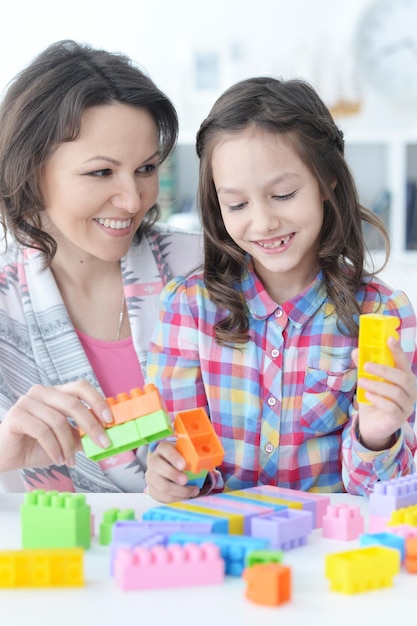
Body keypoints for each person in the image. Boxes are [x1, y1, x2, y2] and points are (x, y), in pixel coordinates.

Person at [145, 76, 417, 503]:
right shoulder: (188, 308)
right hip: (227, 548)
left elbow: (383, 495)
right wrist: (171, 472)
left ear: (327, 181)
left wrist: (378, 435)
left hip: (328, 554)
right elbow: (177, 457)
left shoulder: (382, 313)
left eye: (284, 194)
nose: (264, 222)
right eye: (237, 204)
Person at [0, 40, 202, 493]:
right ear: (32, 171)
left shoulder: (204, 271)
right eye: (101, 173)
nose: (133, 201)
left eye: (146, 168)